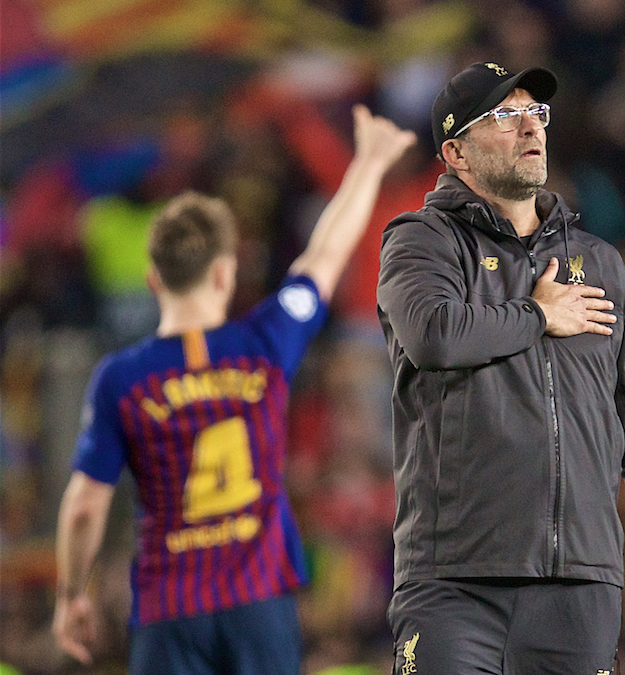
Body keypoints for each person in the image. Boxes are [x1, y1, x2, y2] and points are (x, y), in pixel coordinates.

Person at [52, 106, 416, 674]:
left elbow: (84, 505)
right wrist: (368, 161)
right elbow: (323, 258)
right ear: (226, 272)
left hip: (168, 607)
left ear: (154, 279)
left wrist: (71, 593)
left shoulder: (120, 378)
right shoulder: (266, 341)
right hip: (258, 600)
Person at [376, 62, 625, 674]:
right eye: (504, 117)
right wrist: (536, 314)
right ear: (457, 152)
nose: (530, 127)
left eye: (537, 114)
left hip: (579, 588)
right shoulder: (422, 241)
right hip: (455, 581)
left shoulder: (599, 265)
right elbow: (432, 335)